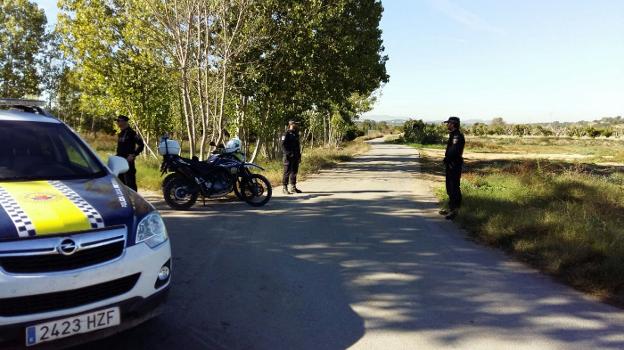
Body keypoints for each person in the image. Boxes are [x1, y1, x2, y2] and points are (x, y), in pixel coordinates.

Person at [441, 116, 465, 220]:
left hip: (454, 164)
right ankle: (451, 209)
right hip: (451, 163)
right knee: (449, 187)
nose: (447, 125)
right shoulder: (453, 134)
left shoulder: (457, 136)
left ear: (453, 124)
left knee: (454, 186)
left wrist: (448, 158)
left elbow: (454, 150)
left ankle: (455, 210)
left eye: (448, 123)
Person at [115, 115, 144, 191]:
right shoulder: (121, 133)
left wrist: (133, 155)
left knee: (130, 183)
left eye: (118, 121)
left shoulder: (132, 133)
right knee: (120, 183)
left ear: (124, 122)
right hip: (120, 161)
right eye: (117, 121)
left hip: (128, 161)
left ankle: (134, 201)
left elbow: (141, 144)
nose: (117, 123)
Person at [281, 120, 302, 195]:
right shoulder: (286, 134)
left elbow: (298, 146)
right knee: (287, 172)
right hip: (288, 157)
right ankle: (284, 188)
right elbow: (283, 145)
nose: (297, 125)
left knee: (294, 172)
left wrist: (299, 156)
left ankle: (293, 187)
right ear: (291, 125)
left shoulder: (295, 134)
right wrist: (288, 154)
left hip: (295, 156)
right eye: (295, 124)